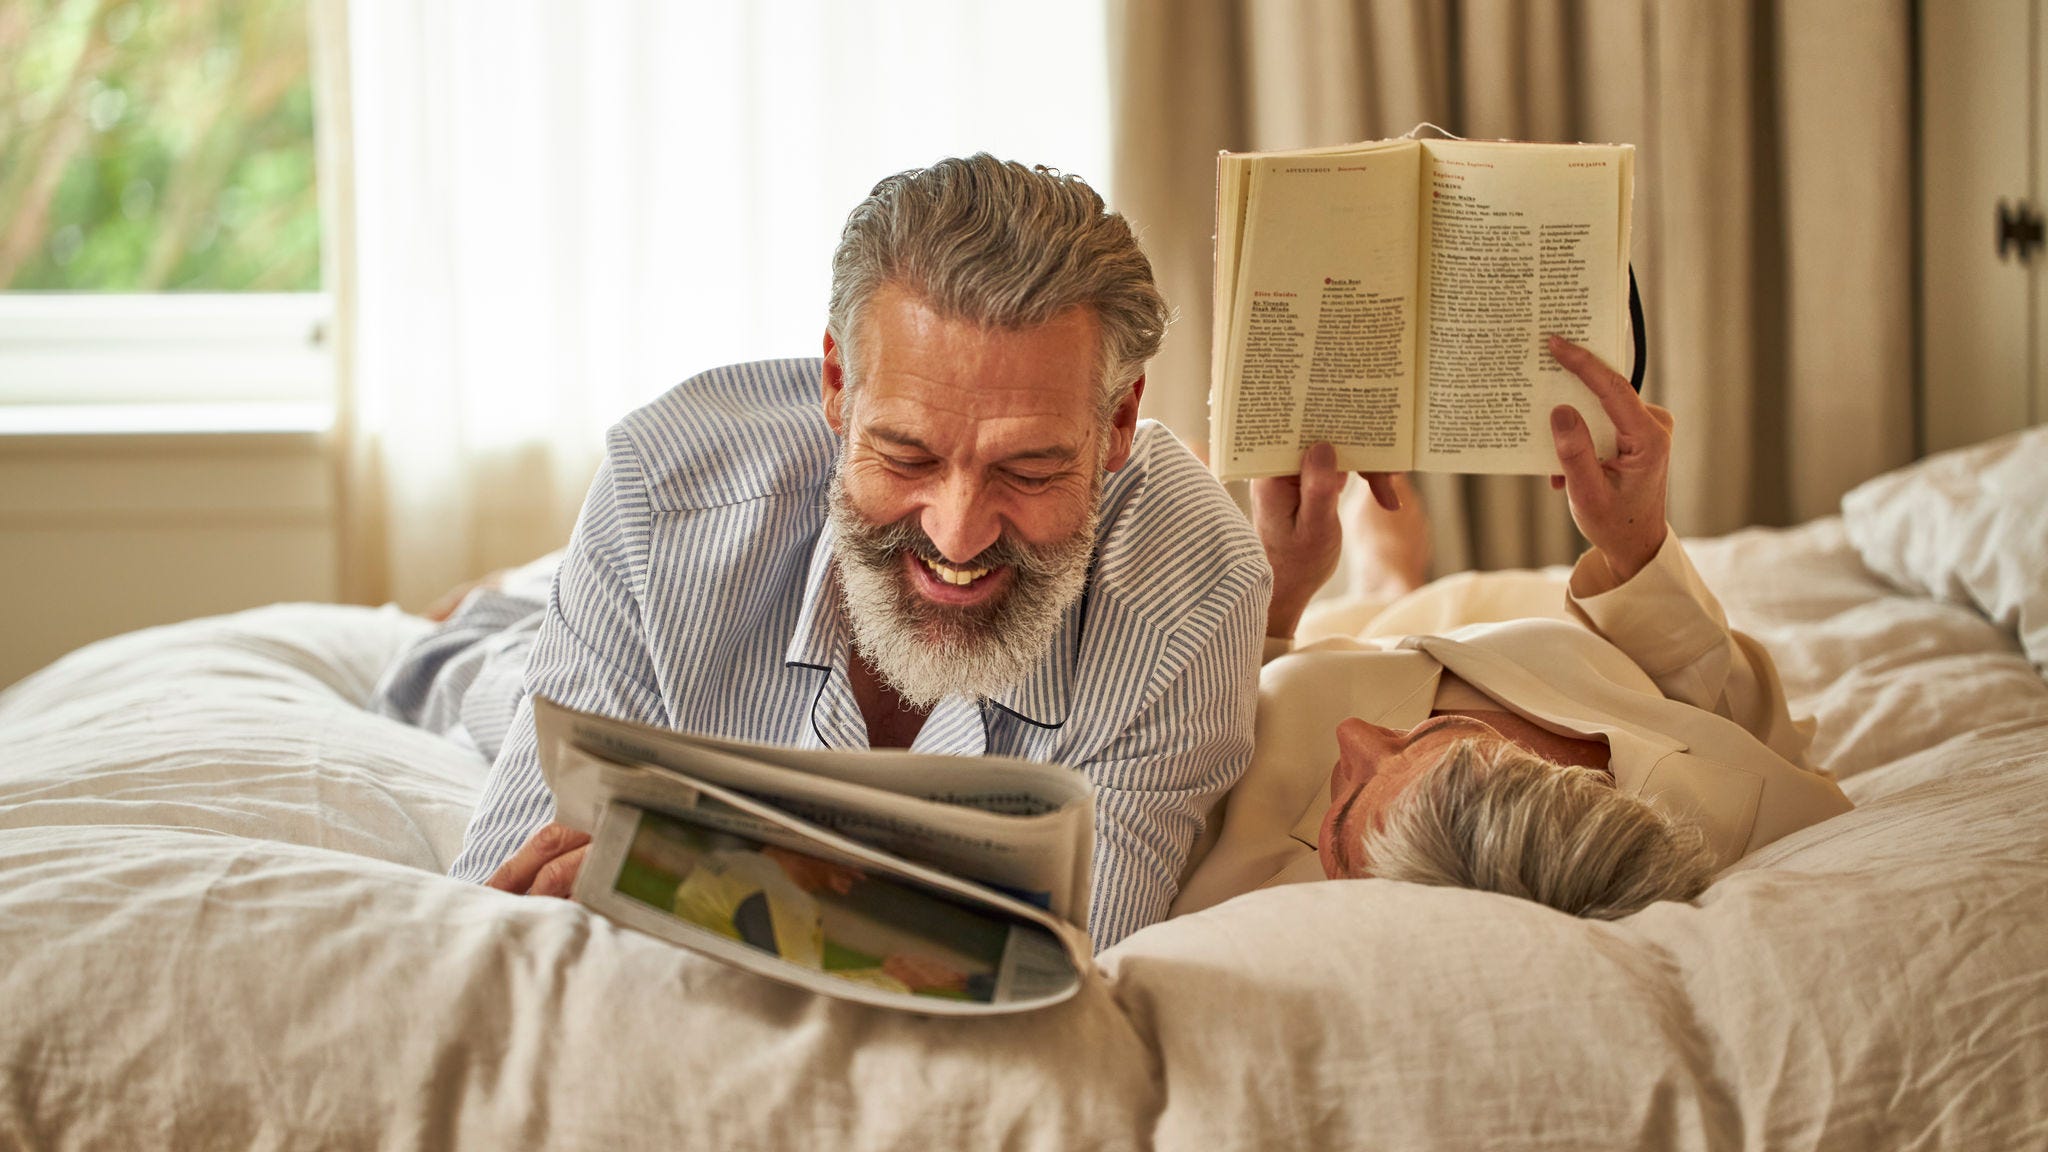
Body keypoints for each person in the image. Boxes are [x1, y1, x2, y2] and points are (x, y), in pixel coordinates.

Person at [376, 155, 1271, 951]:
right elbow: (519, 899)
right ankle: (489, 619)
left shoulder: (1202, 587)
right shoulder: (664, 494)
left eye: (1030, 469)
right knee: (478, 679)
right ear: (838, 386)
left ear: (1116, 422)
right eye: (907, 456)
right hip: (658, 585)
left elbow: (1062, 950)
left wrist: (680, 882)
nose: (958, 532)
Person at [1172, 336, 1854, 919]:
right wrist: (1635, 540)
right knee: (1420, 600)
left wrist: (1277, 580)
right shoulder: (1746, 814)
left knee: (1188, 478)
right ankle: (1392, 578)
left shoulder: (1240, 894)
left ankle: (1385, 578)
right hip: (1510, 620)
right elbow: (1749, 726)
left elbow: (1186, 728)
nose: (1354, 736)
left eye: (1344, 812)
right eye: (1443, 732)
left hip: (1301, 641)